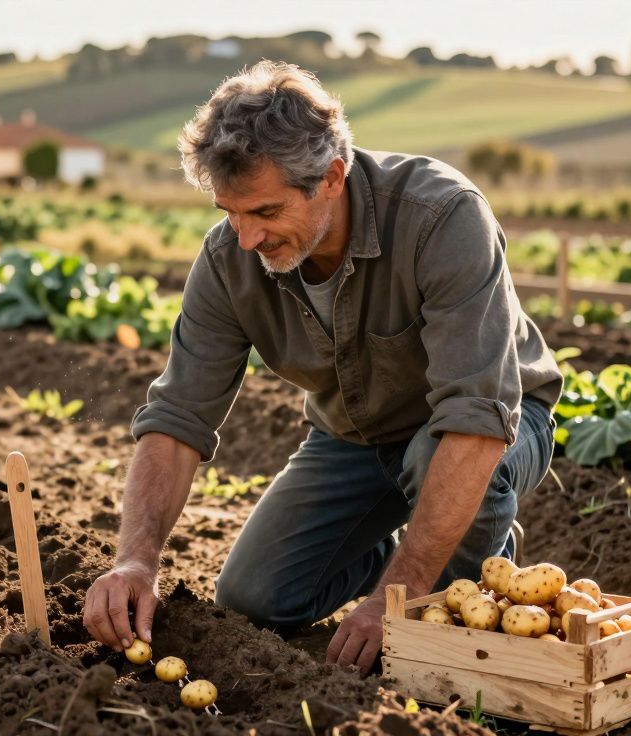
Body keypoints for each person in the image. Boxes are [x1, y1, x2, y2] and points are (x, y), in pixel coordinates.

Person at [82, 60, 562, 674]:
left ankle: (467, 547)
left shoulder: (441, 218)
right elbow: (177, 417)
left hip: (490, 428)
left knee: (433, 508)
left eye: (265, 212)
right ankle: (434, 540)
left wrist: (402, 592)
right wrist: (136, 558)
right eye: (231, 212)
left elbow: (477, 418)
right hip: (355, 437)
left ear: (331, 178)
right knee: (254, 597)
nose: (246, 237)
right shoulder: (229, 258)